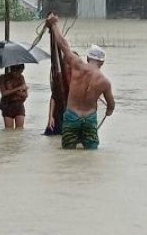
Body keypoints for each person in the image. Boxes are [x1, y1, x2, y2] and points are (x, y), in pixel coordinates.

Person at [45, 13, 115, 149]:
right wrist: (109, 111)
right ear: (102, 62)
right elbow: (111, 105)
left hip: (71, 116)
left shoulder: (77, 65)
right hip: (89, 119)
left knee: (67, 151)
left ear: (88, 58)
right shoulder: (105, 82)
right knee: (91, 152)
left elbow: (63, 45)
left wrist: (54, 24)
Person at [0, 64, 28, 129]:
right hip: (7, 105)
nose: (19, 74)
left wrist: (11, 90)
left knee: (20, 129)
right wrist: (18, 89)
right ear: (13, 71)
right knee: (9, 130)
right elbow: (4, 93)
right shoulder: (3, 78)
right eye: (18, 72)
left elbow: (25, 95)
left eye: (21, 72)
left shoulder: (21, 77)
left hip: (19, 104)